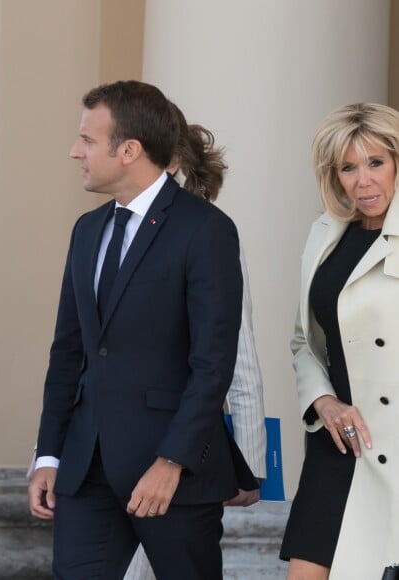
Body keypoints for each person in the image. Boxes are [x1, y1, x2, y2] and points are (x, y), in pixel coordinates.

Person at [28, 80, 257, 580]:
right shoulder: (86, 231)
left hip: (172, 474)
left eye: (87, 140)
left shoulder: (207, 230)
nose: (75, 151)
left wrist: (171, 461)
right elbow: (68, 353)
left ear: (129, 150)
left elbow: (212, 362)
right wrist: (49, 454)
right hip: (86, 468)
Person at [123, 103, 268, 580]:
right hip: (111, 447)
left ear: (172, 163)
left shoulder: (207, 231)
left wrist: (248, 465)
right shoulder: (106, 232)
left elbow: (236, 357)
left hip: (178, 453)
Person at [280, 102, 399, 579]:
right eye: (348, 167)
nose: (362, 180)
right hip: (340, 442)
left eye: (376, 163)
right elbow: (303, 340)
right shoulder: (325, 233)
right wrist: (323, 401)